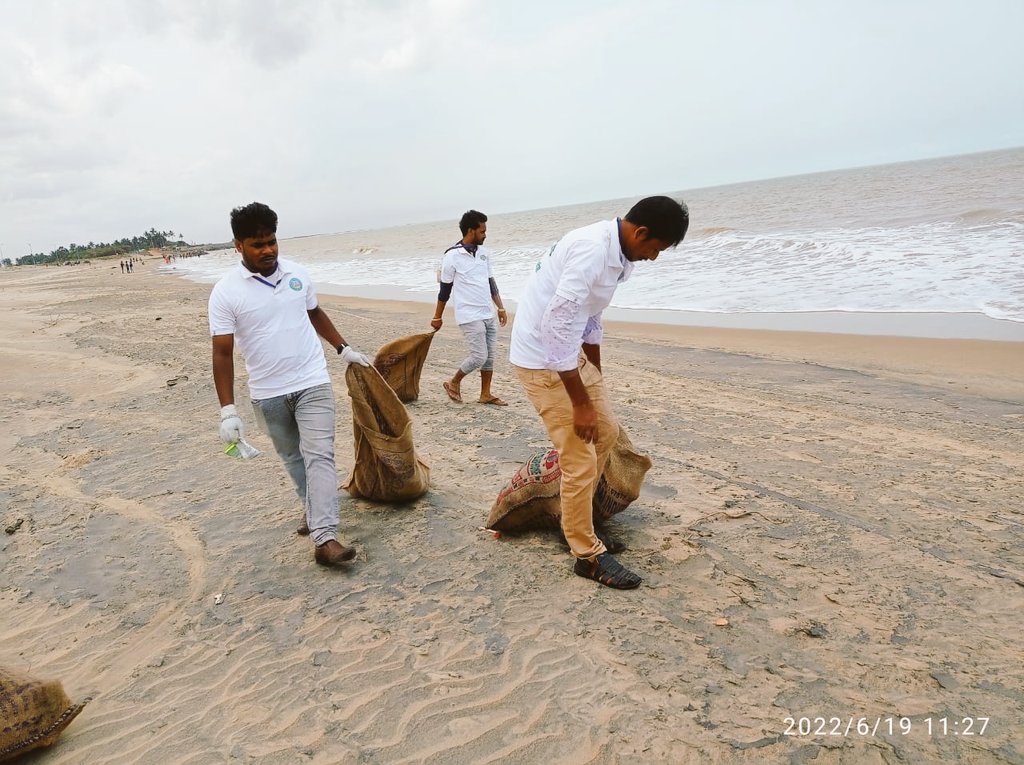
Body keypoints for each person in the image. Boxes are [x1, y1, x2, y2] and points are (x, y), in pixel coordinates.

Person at [509, 196, 689, 589]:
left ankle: (576, 519)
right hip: (541, 360)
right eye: (655, 248)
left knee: (604, 433)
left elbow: (590, 316)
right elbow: (556, 326)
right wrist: (580, 403)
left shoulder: (618, 255)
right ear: (640, 232)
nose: (654, 258)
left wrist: (596, 377)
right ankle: (586, 555)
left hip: (568, 355)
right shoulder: (592, 251)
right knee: (579, 456)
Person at [208, 202, 371, 567]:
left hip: (312, 381)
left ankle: (325, 538)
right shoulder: (225, 292)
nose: (267, 250)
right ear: (238, 246)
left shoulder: (297, 274)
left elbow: (313, 312)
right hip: (267, 393)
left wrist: (343, 349)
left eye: (272, 241)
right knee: (294, 458)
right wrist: (227, 411)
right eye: (257, 244)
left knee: (320, 455)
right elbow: (222, 353)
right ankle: (312, 510)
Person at [430, 210, 509, 406]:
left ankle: (485, 394)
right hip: (468, 314)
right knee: (479, 356)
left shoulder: (484, 253)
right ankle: (453, 382)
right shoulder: (451, 256)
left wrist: (500, 307)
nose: (485, 234)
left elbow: (491, 282)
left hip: (487, 312)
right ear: (471, 231)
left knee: (490, 356)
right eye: (482, 231)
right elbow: (444, 290)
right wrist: (437, 317)